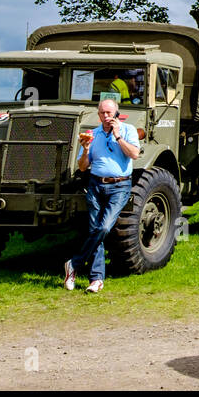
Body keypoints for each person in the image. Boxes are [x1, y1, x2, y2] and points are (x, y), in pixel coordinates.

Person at [63, 98, 140, 294]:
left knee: (104, 227)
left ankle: (74, 263)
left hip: (120, 185)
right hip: (96, 185)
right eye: (102, 113)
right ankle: (96, 280)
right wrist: (86, 150)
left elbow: (134, 154)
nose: (105, 116)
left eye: (109, 113)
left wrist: (118, 137)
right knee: (95, 230)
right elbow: (82, 166)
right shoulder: (92, 134)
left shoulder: (128, 130)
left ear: (116, 113)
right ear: (98, 115)